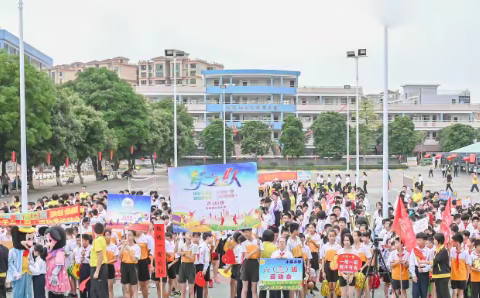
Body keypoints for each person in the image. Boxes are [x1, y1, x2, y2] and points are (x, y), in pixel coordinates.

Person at [409, 232, 432, 298]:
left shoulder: (429, 251)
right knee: (415, 293)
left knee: (424, 292)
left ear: (425, 241)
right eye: (417, 240)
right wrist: (413, 275)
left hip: (424, 273)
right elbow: (412, 263)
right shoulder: (414, 250)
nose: (417, 242)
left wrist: (424, 269)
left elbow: (430, 263)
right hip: (416, 271)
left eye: (419, 240)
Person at [176, 232, 197, 298]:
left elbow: (192, 259)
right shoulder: (182, 245)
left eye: (191, 234)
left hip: (191, 267)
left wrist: (184, 254)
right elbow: (177, 252)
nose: (190, 234)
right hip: (183, 266)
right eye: (188, 233)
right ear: (184, 236)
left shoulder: (194, 246)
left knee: (191, 291)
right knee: (183, 291)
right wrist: (176, 241)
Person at [89, 223, 108, 298]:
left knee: (100, 292)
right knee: (95, 291)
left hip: (98, 268)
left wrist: (97, 271)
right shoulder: (101, 239)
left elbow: (100, 256)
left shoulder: (98, 240)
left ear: (94, 230)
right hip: (98, 267)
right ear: (103, 230)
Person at [240, 228, 260, 298]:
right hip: (246, 264)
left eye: (246, 232)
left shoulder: (258, 242)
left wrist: (259, 248)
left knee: (254, 289)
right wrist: (255, 250)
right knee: (245, 288)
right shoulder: (243, 243)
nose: (245, 234)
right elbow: (246, 256)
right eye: (244, 232)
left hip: (255, 264)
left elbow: (260, 255)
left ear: (251, 232)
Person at [450, 233, 471, 298]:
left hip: (462, 276)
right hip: (454, 276)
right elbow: (450, 262)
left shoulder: (465, 252)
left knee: (461, 293)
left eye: (453, 241)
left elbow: (468, 266)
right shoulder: (452, 250)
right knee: (454, 292)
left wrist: (467, 277)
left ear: (457, 242)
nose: (452, 243)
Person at [120, 231, 140, 298]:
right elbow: (120, 257)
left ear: (134, 237)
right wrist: (123, 247)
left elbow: (135, 259)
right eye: (127, 235)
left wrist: (129, 250)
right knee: (126, 289)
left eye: (130, 235)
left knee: (134, 288)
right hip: (124, 266)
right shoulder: (124, 246)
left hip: (132, 267)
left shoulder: (137, 247)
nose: (128, 237)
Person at [337, 233, 357, 298]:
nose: (346, 242)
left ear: (351, 241)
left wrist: (352, 275)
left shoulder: (354, 252)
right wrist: (343, 274)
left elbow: (356, 264)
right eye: (344, 240)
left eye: (348, 240)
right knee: (343, 295)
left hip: (352, 275)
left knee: (351, 295)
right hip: (342, 274)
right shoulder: (340, 252)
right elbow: (338, 264)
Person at [432, 233, 451, 298]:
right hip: (437, 275)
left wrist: (424, 262)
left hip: (443, 275)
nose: (433, 241)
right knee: (439, 294)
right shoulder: (437, 250)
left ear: (438, 240)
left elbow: (435, 261)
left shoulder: (443, 250)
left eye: (434, 239)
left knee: (444, 294)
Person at [103, 230, 119, 298]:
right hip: (103, 268)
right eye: (105, 235)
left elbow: (115, 259)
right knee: (103, 288)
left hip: (110, 268)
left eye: (108, 235)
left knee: (110, 288)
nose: (107, 236)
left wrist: (107, 262)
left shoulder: (114, 246)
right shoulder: (101, 246)